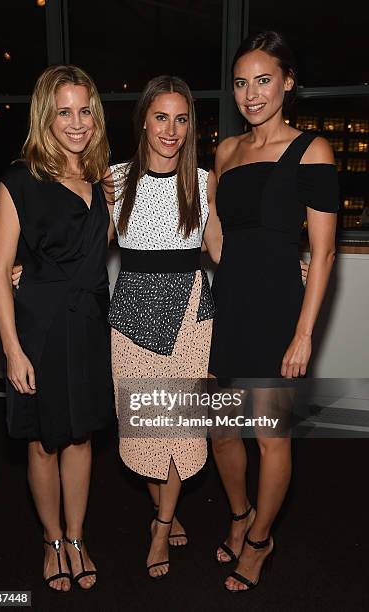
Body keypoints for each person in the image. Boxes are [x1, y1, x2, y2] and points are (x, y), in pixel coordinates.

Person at [208, 31, 338, 592]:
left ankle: (261, 540)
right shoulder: (226, 150)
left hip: (279, 309)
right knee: (219, 429)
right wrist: (226, 269)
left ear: (287, 82)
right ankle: (240, 516)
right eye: (241, 83)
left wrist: (303, 332)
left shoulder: (314, 150)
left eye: (264, 80)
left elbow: (325, 248)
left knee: (269, 435)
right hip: (230, 302)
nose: (251, 94)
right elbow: (216, 229)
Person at [0, 65, 113, 591]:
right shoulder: (21, 180)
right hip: (37, 331)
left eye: (85, 110)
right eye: (64, 111)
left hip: (88, 324)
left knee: (80, 436)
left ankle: (78, 536)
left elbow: (102, 246)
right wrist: (13, 351)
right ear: (46, 115)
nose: (77, 122)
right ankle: (52, 539)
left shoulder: (104, 178)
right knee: (43, 442)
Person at [107, 75, 222, 578]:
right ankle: (166, 509)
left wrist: (284, 267)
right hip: (131, 314)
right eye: (161, 117)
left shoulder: (203, 181)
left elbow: (223, 250)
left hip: (190, 318)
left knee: (178, 426)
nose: (171, 130)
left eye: (181, 119)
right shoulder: (114, 180)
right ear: (144, 120)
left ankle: (161, 523)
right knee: (142, 427)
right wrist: (30, 267)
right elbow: (81, 247)